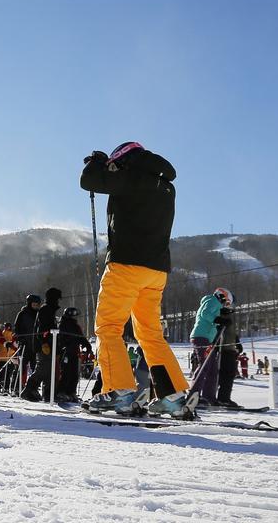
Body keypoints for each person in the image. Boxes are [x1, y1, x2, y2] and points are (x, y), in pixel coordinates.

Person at [81, 142, 193, 418]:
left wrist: (96, 163)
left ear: (125, 159)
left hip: (126, 265)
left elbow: (89, 181)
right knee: (149, 334)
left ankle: (119, 390)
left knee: (108, 326)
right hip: (156, 271)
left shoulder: (131, 178)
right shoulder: (166, 186)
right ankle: (174, 395)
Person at [190, 288, 234, 406]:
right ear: (222, 296)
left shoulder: (216, 305)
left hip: (207, 339)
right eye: (226, 302)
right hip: (201, 336)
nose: (225, 304)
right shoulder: (211, 301)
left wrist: (222, 316)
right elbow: (205, 313)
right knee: (204, 365)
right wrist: (218, 319)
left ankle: (209, 397)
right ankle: (193, 395)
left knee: (212, 369)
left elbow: (213, 316)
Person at [21, 287, 63, 402]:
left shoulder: (50, 310)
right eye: (57, 299)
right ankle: (29, 389)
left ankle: (49, 394)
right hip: (45, 346)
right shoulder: (45, 310)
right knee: (43, 368)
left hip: (51, 345)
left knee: (50, 370)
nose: (58, 302)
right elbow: (42, 329)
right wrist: (44, 343)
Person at [55, 307, 92, 402]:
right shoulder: (62, 324)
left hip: (74, 352)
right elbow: (61, 338)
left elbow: (81, 337)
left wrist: (87, 345)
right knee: (66, 372)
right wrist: (66, 344)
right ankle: (61, 392)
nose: (75, 318)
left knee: (74, 373)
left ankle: (71, 392)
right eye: (73, 316)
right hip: (66, 352)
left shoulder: (75, 326)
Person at [13, 294, 41, 388]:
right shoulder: (22, 314)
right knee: (22, 367)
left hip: (35, 345)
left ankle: (32, 387)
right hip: (25, 344)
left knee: (35, 368)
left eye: (38, 305)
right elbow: (16, 328)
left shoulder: (39, 314)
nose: (36, 307)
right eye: (34, 304)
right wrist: (21, 339)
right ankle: (17, 386)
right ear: (29, 304)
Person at [215, 307, 241, 408]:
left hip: (230, 349)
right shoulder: (221, 320)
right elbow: (218, 332)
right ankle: (222, 398)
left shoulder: (229, 321)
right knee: (225, 374)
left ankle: (224, 397)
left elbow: (232, 334)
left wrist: (237, 343)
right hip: (223, 350)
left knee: (228, 374)